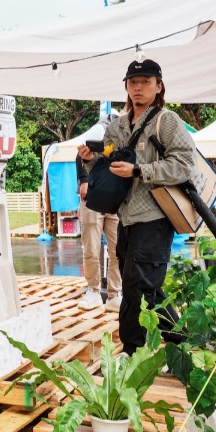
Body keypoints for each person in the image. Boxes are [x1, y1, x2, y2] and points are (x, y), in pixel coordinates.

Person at [77, 58, 195, 354]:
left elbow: (184, 165)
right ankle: (181, 342)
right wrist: (91, 162)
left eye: (145, 81)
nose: (138, 87)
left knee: (135, 287)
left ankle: (131, 350)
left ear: (159, 85)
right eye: (133, 82)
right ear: (126, 88)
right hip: (127, 218)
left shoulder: (166, 121)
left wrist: (141, 171)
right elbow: (106, 169)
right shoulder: (116, 126)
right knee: (148, 287)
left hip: (155, 217)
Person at [76, 117, 122, 311]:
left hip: (116, 201)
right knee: (91, 249)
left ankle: (115, 293)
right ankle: (93, 290)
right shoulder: (99, 130)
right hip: (93, 199)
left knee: (118, 250)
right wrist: (84, 181)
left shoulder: (127, 135)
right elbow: (80, 155)